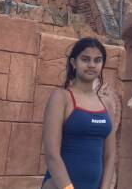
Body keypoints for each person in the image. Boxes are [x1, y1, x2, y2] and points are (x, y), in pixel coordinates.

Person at [41, 38, 116, 189]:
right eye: (85, 59)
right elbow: (52, 155)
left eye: (97, 60)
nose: (91, 65)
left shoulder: (107, 104)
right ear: (74, 63)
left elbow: (109, 156)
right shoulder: (61, 98)